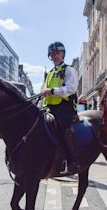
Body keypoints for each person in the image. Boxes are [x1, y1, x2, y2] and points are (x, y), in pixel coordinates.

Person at [41, 41, 80, 174]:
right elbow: (43, 90)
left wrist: (52, 91)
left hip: (64, 107)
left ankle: (71, 161)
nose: (55, 56)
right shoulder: (50, 73)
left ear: (63, 54)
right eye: (52, 54)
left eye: (57, 53)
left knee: (63, 129)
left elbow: (71, 88)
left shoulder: (69, 70)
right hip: (49, 106)